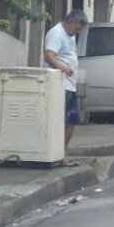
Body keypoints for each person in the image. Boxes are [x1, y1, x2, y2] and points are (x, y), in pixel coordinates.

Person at [44, 9, 88, 167]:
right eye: (76, 29)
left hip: (69, 84)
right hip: (61, 85)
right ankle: (60, 153)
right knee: (66, 121)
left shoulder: (69, 34)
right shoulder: (57, 33)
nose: (77, 32)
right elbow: (49, 55)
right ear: (69, 22)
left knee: (71, 121)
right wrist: (64, 68)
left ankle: (63, 152)